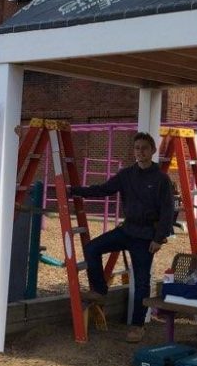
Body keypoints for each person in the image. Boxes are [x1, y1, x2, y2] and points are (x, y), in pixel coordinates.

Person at [70, 132, 175, 343]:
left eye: (145, 148)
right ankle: (100, 290)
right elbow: (104, 190)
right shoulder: (127, 174)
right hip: (127, 230)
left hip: (146, 237)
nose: (140, 152)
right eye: (137, 148)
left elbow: (168, 211)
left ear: (153, 150)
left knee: (142, 282)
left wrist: (159, 238)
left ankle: (137, 326)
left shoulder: (161, 179)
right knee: (92, 248)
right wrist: (75, 191)